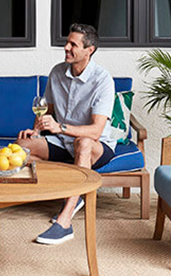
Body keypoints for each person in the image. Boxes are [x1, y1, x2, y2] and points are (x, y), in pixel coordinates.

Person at [17, 23, 116, 245]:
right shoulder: (57, 72)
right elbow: (47, 109)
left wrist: (60, 127)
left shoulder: (102, 81)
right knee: (22, 146)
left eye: (73, 44)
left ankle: (64, 222)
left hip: (96, 147)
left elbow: (96, 131)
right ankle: (75, 192)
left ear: (89, 50)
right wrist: (35, 130)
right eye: (67, 42)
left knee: (84, 143)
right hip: (62, 142)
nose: (66, 48)